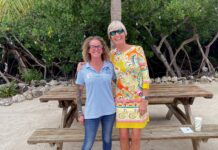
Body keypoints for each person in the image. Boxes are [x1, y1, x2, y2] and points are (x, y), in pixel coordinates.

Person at [108, 20, 150, 150]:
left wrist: (144, 100)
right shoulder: (112, 55)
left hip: (138, 100)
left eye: (120, 31)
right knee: (123, 137)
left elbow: (146, 77)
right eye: (113, 32)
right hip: (121, 101)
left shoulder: (137, 50)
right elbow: (103, 69)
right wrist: (82, 65)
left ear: (125, 33)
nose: (117, 34)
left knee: (136, 138)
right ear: (110, 37)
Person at [75, 36, 116, 150]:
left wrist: (118, 97)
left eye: (98, 46)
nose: (96, 49)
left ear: (102, 49)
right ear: (88, 50)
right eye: (92, 46)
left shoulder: (109, 66)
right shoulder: (83, 69)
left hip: (109, 110)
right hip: (91, 112)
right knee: (88, 143)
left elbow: (119, 83)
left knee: (107, 140)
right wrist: (79, 113)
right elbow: (78, 92)